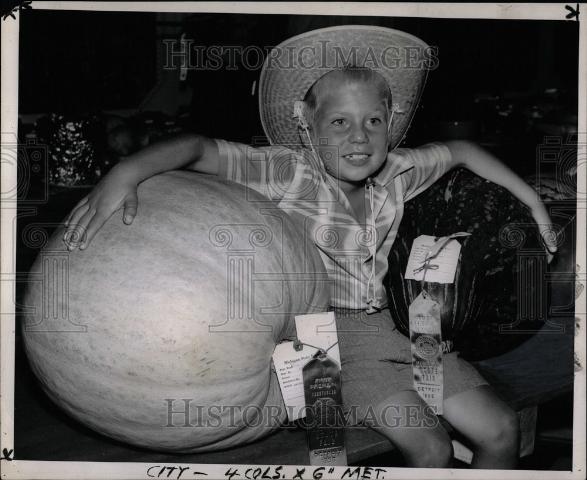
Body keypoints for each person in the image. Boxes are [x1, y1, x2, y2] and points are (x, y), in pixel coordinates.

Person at [63, 26, 557, 468]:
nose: (359, 137)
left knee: (501, 429)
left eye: (373, 121)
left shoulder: (400, 173)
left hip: (408, 326)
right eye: (339, 122)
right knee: (431, 448)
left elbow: (464, 152)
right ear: (306, 123)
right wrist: (124, 172)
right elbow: (197, 148)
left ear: (393, 120)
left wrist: (532, 202)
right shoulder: (288, 172)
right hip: (332, 343)